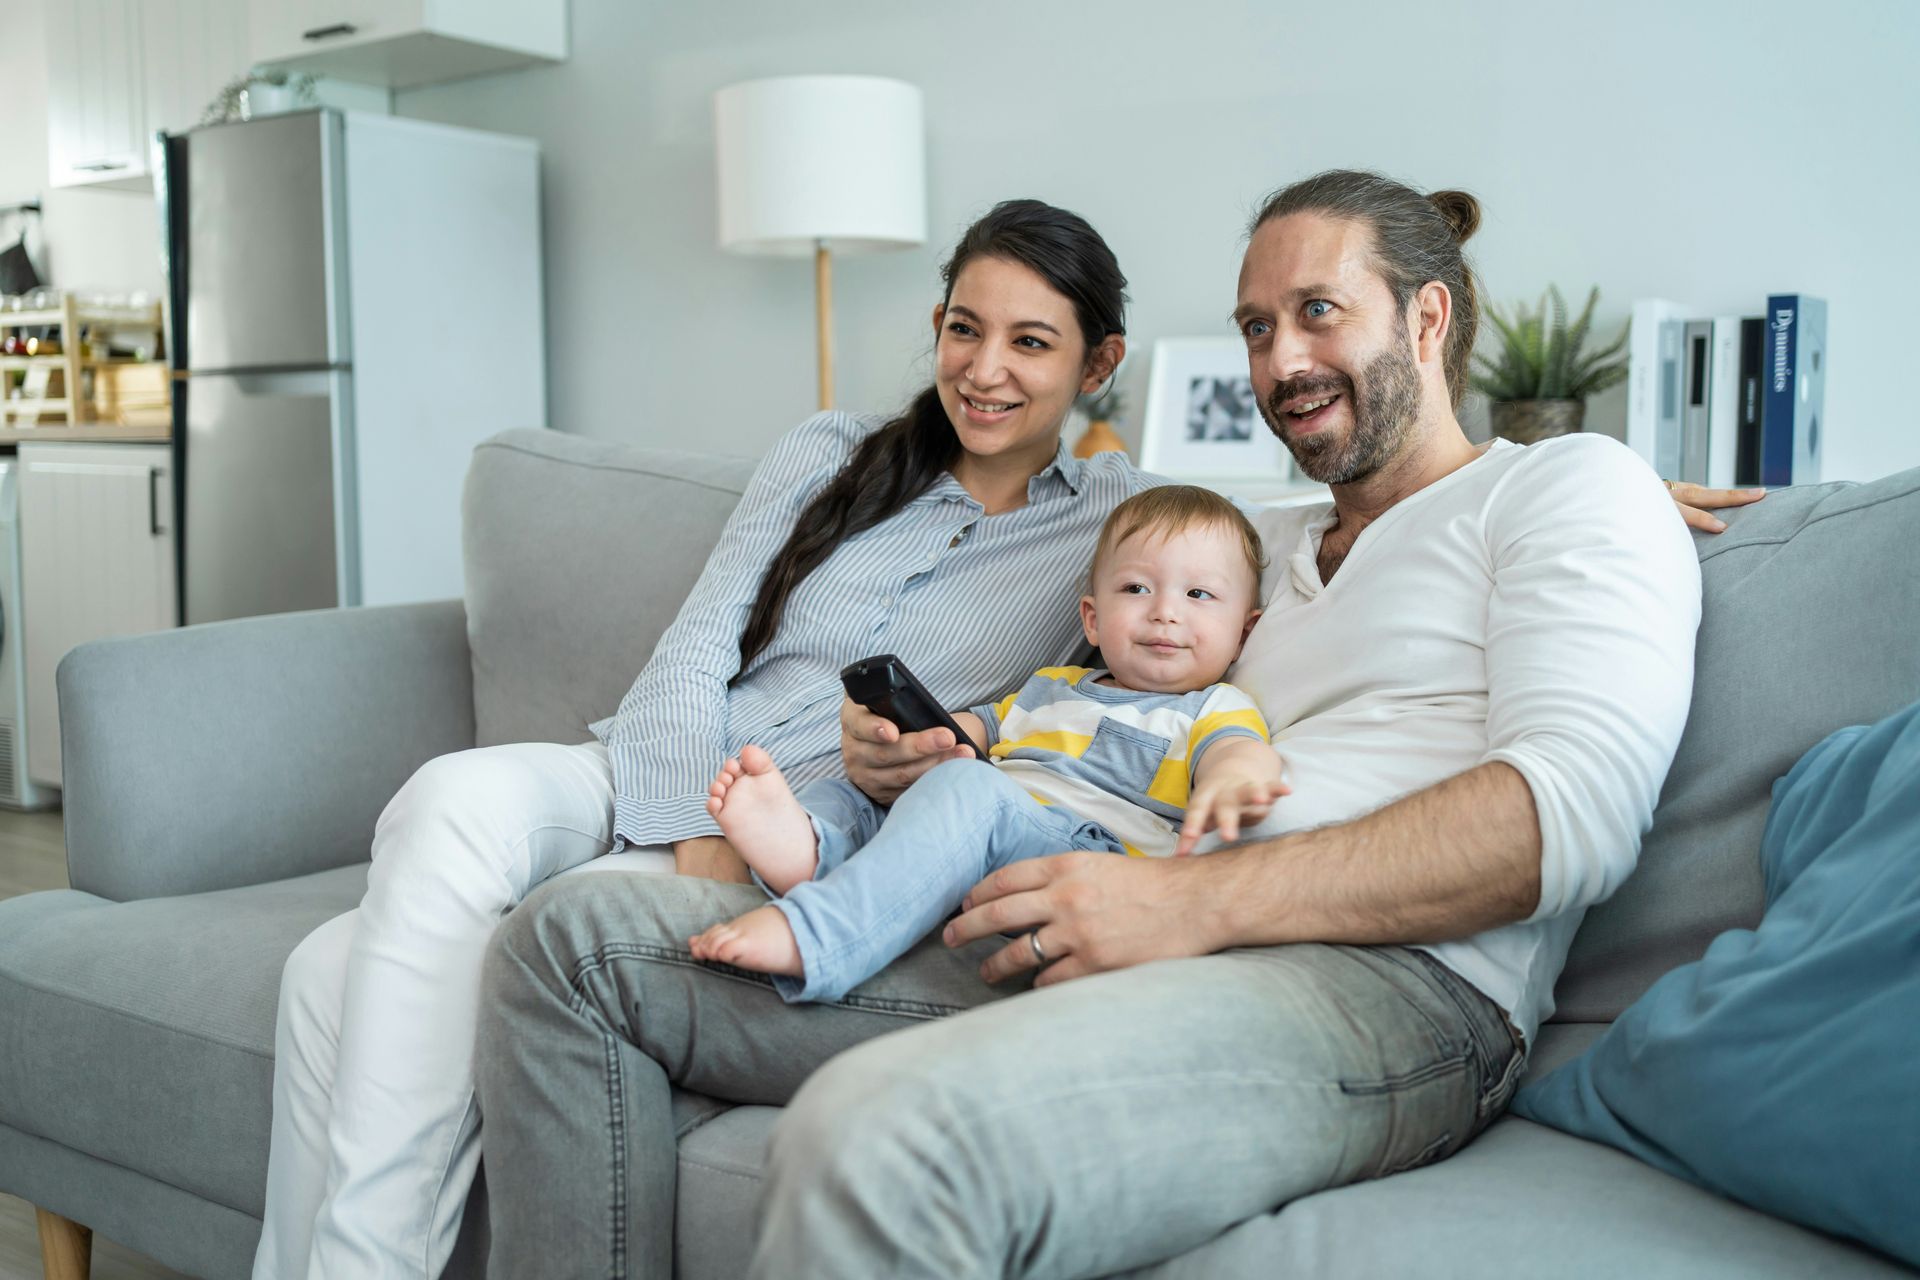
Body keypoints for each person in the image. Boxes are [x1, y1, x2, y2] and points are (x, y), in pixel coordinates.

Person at [257, 182, 1755, 1277]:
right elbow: (1149, 534)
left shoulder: (1567, 490)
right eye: (1254, 324)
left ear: (1427, 318)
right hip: (1093, 902)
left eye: (1320, 313)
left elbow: (1570, 817)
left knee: (875, 1141)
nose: (1280, 356)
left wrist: (1187, 900)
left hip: (1386, 987)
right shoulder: (1264, 537)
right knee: (563, 951)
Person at [251, 198, 1144, 1280]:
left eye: (1031, 341)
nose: (985, 367)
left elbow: (1107, 705)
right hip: (643, 772)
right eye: (965, 327)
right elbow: (696, 642)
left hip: (803, 835)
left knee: (322, 974)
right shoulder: (832, 451)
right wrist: (687, 831)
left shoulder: (1116, 530)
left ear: (1099, 362)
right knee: (447, 797)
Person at [688, 486, 1286, 999]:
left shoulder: (1211, 706)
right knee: (857, 791)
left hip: (1089, 860)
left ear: (1245, 633)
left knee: (969, 789)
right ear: (1092, 619)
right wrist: (913, 740)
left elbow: (1237, 749)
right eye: (1135, 588)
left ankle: (819, 934)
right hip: (982, 828)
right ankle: (810, 849)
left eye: (1199, 596)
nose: (1164, 614)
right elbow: (968, 732)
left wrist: (1236, 777)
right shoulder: (1051, 687)